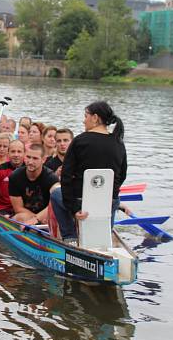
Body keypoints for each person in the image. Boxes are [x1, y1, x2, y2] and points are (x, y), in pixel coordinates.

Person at [51, 101, 127, 244]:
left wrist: (74, 208)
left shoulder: (79, 140)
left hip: (82, 201)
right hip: (108, 202)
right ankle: (107, 236)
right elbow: (122, 175)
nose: (83, 120)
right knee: (114, 199)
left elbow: (66, 177)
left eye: (85, 116)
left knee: (55, 194)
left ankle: (70, 237)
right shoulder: (118, 142)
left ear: (95, 118)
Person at [8, 144, 58, 225]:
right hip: (26, 215)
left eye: (35, 158)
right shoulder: (15, 176)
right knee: (20, 217)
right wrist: (36, 218)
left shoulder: (51, 178)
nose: (30, 162)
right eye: (28, 157)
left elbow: (55, 202)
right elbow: (18, 208)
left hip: (46, 216)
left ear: (43, 159)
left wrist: (39, 218)